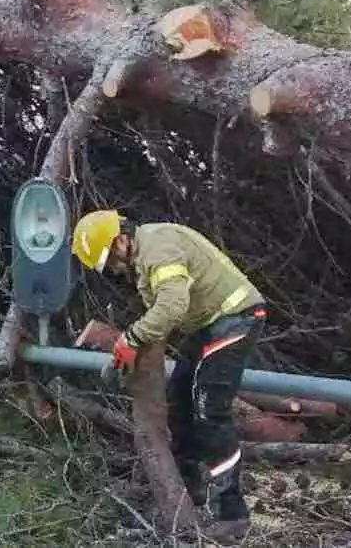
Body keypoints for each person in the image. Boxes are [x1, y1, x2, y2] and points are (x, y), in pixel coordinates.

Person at [71, 209, 267, 536]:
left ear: (120, 240)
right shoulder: (144, 258)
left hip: (236, 318)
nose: (113, 271)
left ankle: (232, 513)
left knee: (210, 411)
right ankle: (188, 492)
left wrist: (130, 339)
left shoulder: (159, 248)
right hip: (209, 324)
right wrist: (133, 354)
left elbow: (171, 307)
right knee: (179, 400)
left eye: (110, 263)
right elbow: (160, 317)